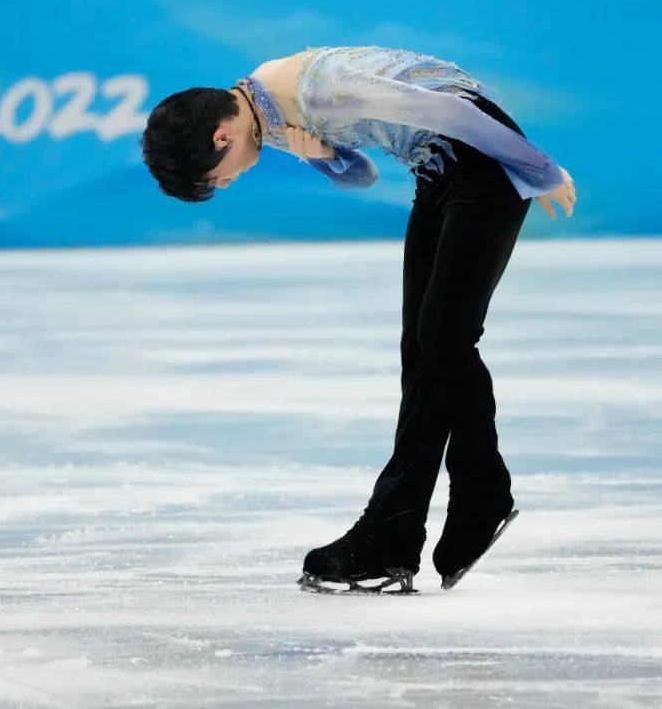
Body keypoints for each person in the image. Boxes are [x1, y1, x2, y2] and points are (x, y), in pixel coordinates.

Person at [140, 45, 577, 595]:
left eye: (218, 178)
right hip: (440, 170)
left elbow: (455, 114)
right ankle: (395, 534)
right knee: (423, 353)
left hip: (483, 156)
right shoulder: (264, 120)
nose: (227, 183)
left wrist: (539, 168)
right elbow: (362, 175)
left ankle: (477, 495)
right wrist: (323, 156)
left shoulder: (314, 88)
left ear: (218, 139)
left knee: (444, 339)